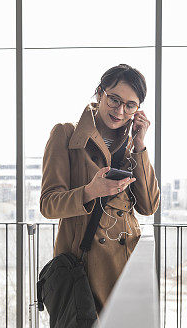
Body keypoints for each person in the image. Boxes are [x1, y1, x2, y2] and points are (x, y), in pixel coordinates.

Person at [40, 64, 160, 314]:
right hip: (88, 268)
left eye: (130, 105)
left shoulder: (131, 144)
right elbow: (48, 204)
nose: (120, 110)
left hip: (129, 265)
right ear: (99, 94)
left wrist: (140, 145)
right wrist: (90, 191)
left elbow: (148, 206)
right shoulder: (66, 135)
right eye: (114, 99)